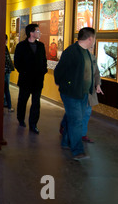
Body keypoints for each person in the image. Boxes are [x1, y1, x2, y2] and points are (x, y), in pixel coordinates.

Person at [54, 27, 96, 160]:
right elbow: (59, 71)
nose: (94, 41)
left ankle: (66, 142)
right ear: (90, 38)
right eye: (94, 38)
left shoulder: (87, 52)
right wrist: (65, 85)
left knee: (73, 119)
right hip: (71, 93)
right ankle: (77, 151)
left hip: (83, 93)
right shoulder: (71, 52)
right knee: (77, 121)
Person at [59, 46, 103, 143]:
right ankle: (65, 127)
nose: (91, 48)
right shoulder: (75, 56)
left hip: (89, 92)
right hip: (76, 90)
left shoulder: (92, 57)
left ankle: (82, 134)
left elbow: (96, 73)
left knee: (86, 112)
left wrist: (98, 84)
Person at [13, 24, 47, 134]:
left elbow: (44, 61)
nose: (39, 33)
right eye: (37, 31)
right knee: (23, 100)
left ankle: (33, 124)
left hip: (37, 80)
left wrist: (43, 71)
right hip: (25, 79)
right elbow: (17, 62)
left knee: (36, 103)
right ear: (31, 33)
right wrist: (24, 72)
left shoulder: (41, 46)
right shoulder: (21, 46)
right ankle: (21, 119)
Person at [4, 34, 15, 112]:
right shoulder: (4, 48)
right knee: (6, 89)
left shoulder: (2, 48)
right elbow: (7, 60)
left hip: (5, 71)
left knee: (5, 89)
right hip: (6, 71)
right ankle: (9, 106)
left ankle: (7, 104)